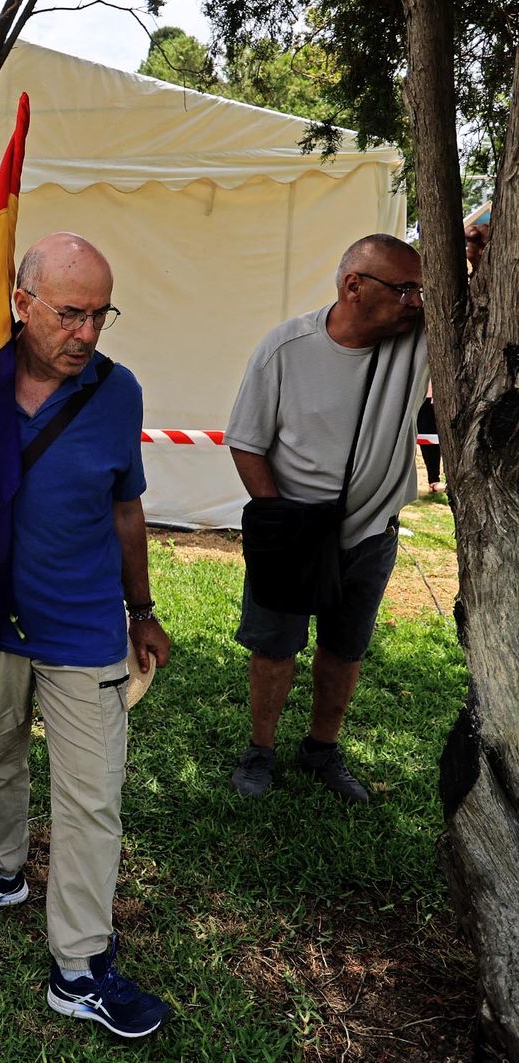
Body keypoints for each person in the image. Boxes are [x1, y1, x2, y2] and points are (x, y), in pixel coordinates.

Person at [0, 233, 173, 1038]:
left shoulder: (116, 392)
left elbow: (127, 506)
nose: (86, 333)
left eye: (100, 314)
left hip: (84, 624)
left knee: (93, 798)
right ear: (20, 304)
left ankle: (81, 967)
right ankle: (1, 867)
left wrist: (143, 607)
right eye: (69, 313)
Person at [226, 234, 428, 802]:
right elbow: (246, 442)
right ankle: (260, 750)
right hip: (295, 534)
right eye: (403, 289)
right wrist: (278, 520)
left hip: (371, 534)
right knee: (274, 647)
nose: (415, 301)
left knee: (345, 648)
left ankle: (321, 749)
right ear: (353, 286)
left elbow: (482, 308)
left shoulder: (415, 339)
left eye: (419, 289)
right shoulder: (285, 348)